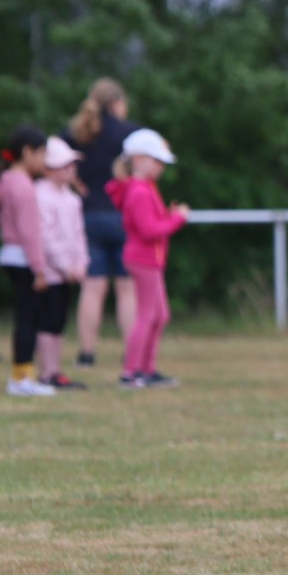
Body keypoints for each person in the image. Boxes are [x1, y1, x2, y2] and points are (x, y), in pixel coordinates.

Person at [105, 128, 189, 389]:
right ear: (138, 159)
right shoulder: (139, 191)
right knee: (147, 315)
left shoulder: (145, 188)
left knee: (159, 315)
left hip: (150, 259)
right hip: (143, 260)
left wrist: (168, 216)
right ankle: (132, 372)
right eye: (157, 161)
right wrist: (177, 219)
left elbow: (151, 222)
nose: (161, 167)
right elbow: (150, 230)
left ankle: (146, 369)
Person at [63, 78, 138, 368]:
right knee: (126, 288)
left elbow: (53, 156)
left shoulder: (76, 132)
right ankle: (131, 352)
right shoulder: (129, 133)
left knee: (93, 287)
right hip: (122, 216)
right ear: (117, 103)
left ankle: (87, 352)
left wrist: (76, 185)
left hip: (89, 215)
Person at [0, 126, 56, 397]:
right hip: (24, 258)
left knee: (25, 317)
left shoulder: (5, 180)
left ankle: (22, 375)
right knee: (28, 319)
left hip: (10, 254)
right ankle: (22, 377)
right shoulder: (23, 186)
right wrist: (40, 269)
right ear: (27, 152)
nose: (44, 160)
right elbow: (29, 232)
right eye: (42, 154)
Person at [35, 137, 90, 389]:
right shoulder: (40, 195)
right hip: (50, 272)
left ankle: (55, 370)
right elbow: (46, 237)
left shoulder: (72, 199)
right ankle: (47, 371)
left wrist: (81, 263)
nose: (70, 169)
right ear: (47, 169)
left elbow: (79, 235)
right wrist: (65, 266)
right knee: (47, 321)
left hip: (68, 272)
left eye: (72, 165)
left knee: (58, 321)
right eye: (63, 165)